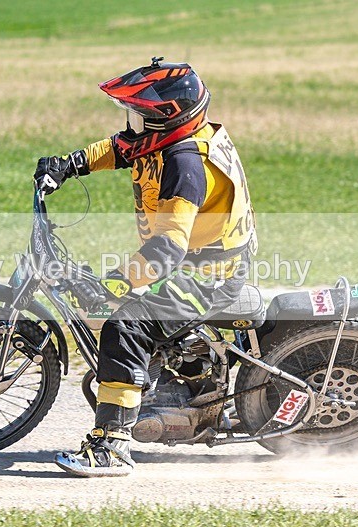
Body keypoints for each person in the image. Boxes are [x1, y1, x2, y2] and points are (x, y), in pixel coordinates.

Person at [33, 57, 257, 477]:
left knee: (123, 325)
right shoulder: (165, 141)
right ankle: (164, 378)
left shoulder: (184, 165)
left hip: (205, 276)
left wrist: (117, 286)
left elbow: (166, 251)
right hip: (190, 262)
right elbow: (119, 147)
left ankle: (112, 449)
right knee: (115, 300)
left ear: (164, 119)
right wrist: (68, 165)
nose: (130, 122)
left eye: (138, 114)